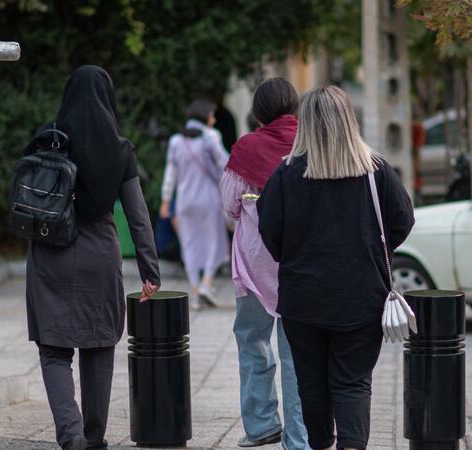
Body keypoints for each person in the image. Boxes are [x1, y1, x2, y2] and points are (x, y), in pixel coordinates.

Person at [257, 85, 415, 450]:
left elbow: (269, 230)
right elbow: (402, 220)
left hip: (303, 300)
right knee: (353, 382)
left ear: (306, 124)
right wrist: (372, 251)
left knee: (311, 383)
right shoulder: (376, 170)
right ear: (349, 120)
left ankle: (321, 444)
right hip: (361, 297)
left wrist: (294, 256)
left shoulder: (287, 174)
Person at [25, 65, 161, 450]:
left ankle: (71, 434)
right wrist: (149, 270)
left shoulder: (48, 139)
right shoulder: (121, 149)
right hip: (99, 255)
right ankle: (94, 437)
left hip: (50, 251)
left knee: (54, 350)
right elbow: (137, 216)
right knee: (99, 344)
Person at [220, 78, 309, 449]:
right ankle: (299, 437)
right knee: (298, 352)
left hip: (256, 267)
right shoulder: (313, 145)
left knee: (252, 340)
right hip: (302, 267)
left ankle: (260, 426)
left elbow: (228, 207)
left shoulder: (246, 149)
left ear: (258, 112)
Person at [160, 99, 230, 308]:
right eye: (211, 115)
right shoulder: (211, 137)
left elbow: (170, 173)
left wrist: (165, 200)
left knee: (189, 244)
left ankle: (195, 291)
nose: (214, 119)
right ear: (204, 117)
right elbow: (225, 165)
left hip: (184, 200)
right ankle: (206, 283)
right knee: (214, 241)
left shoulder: (175, 141)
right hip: (208, 198)